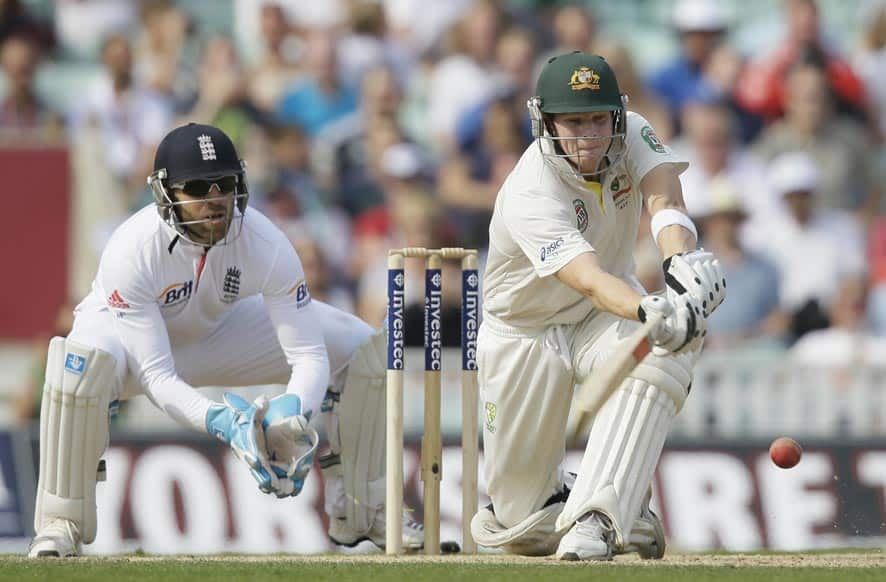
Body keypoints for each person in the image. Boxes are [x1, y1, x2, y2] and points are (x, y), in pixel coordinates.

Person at [28, 123, 422, 558]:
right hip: (131, 346)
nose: (214, 200)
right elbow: (157, 375)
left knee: (362, 347)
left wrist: (293, 416)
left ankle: (365, 511)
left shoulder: (264, 240)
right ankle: (59, 522)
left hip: (219, 332)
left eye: (225, 185)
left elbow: (309, 353)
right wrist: (224, 422)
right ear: (164, 194)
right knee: (78, 365)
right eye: (196, 187)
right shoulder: (132, 250)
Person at [470, 52, 725, 561]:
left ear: (615, 113)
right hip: (524, 332)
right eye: (574, 122)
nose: (588, 135)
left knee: (665, 350)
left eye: (596, 119)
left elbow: (664, 195)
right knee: (518, 526)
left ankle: (600, 517)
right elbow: (586, 278)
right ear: (546, 122)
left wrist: (680, 266)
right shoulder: (529, 190)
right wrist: (650, 310)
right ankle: (616, 505)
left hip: (598, 318)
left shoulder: (630, 130)